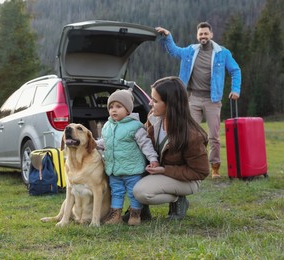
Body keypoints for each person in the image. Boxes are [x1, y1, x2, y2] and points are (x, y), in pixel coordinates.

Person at [155, 22, 241, 178]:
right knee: (186, 132)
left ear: (211, 35)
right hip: (193, 98)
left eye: (206, 34)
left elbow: (235, 70)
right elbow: (174, 51)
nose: (203, 36)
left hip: (212, 100)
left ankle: (214, 167)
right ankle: (186, 164)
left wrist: (235, 90)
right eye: (201, 34)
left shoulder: (223, 53)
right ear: (197, 35)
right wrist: (168, 36)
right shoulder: (190, 51)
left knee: (214, 135)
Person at [132, 76, 210, 220]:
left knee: (141, 192)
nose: (150, 103)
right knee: (127, 174)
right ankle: (140, 210)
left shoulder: (192, 135)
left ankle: (178, 200)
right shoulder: (153, 118)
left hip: (187, 180)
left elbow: (201, 172)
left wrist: (164, 170)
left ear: (170, 104)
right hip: (161, 171)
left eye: (155, 101)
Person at [96, 88, 159, 226]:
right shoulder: (107, 126)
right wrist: (94, 144)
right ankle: (115, 215)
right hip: (114, 170)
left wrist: (153, 159)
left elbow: (145, 144)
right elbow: (105, 142)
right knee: (116, 192)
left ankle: (135, 215)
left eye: (118, 107)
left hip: (133, 170)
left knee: (133, 193)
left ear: (128, 110)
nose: (114, 110)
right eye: (111, 107)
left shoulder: (135, 126)